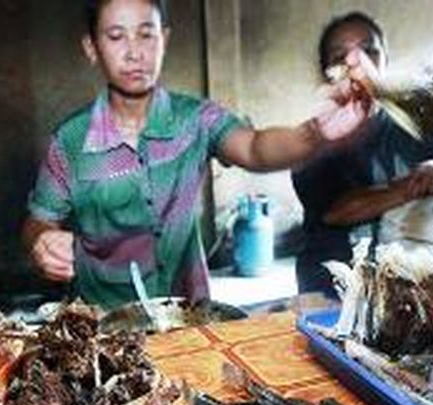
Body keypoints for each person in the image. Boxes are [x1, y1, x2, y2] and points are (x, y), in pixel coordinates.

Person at [23, 0, 373, 309]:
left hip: (189, 317)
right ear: (91, 47)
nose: (134, 52)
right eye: (116, 36)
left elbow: (255, 147)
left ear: (165, 39)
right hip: (102, 325)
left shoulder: (196, 119)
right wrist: (41, 241)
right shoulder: (70, 140)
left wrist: (316, 132)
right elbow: (38, 220)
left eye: (147, 34)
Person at [292, 11, 433, 299]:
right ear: (325, 70)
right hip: (327, 287)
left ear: (384, 60)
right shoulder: (312, 138)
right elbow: (335, 211)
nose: (357, 64)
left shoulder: (414, 126)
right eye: (340, 56)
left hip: (400, 287)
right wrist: (406, 189)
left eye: (370, 51)